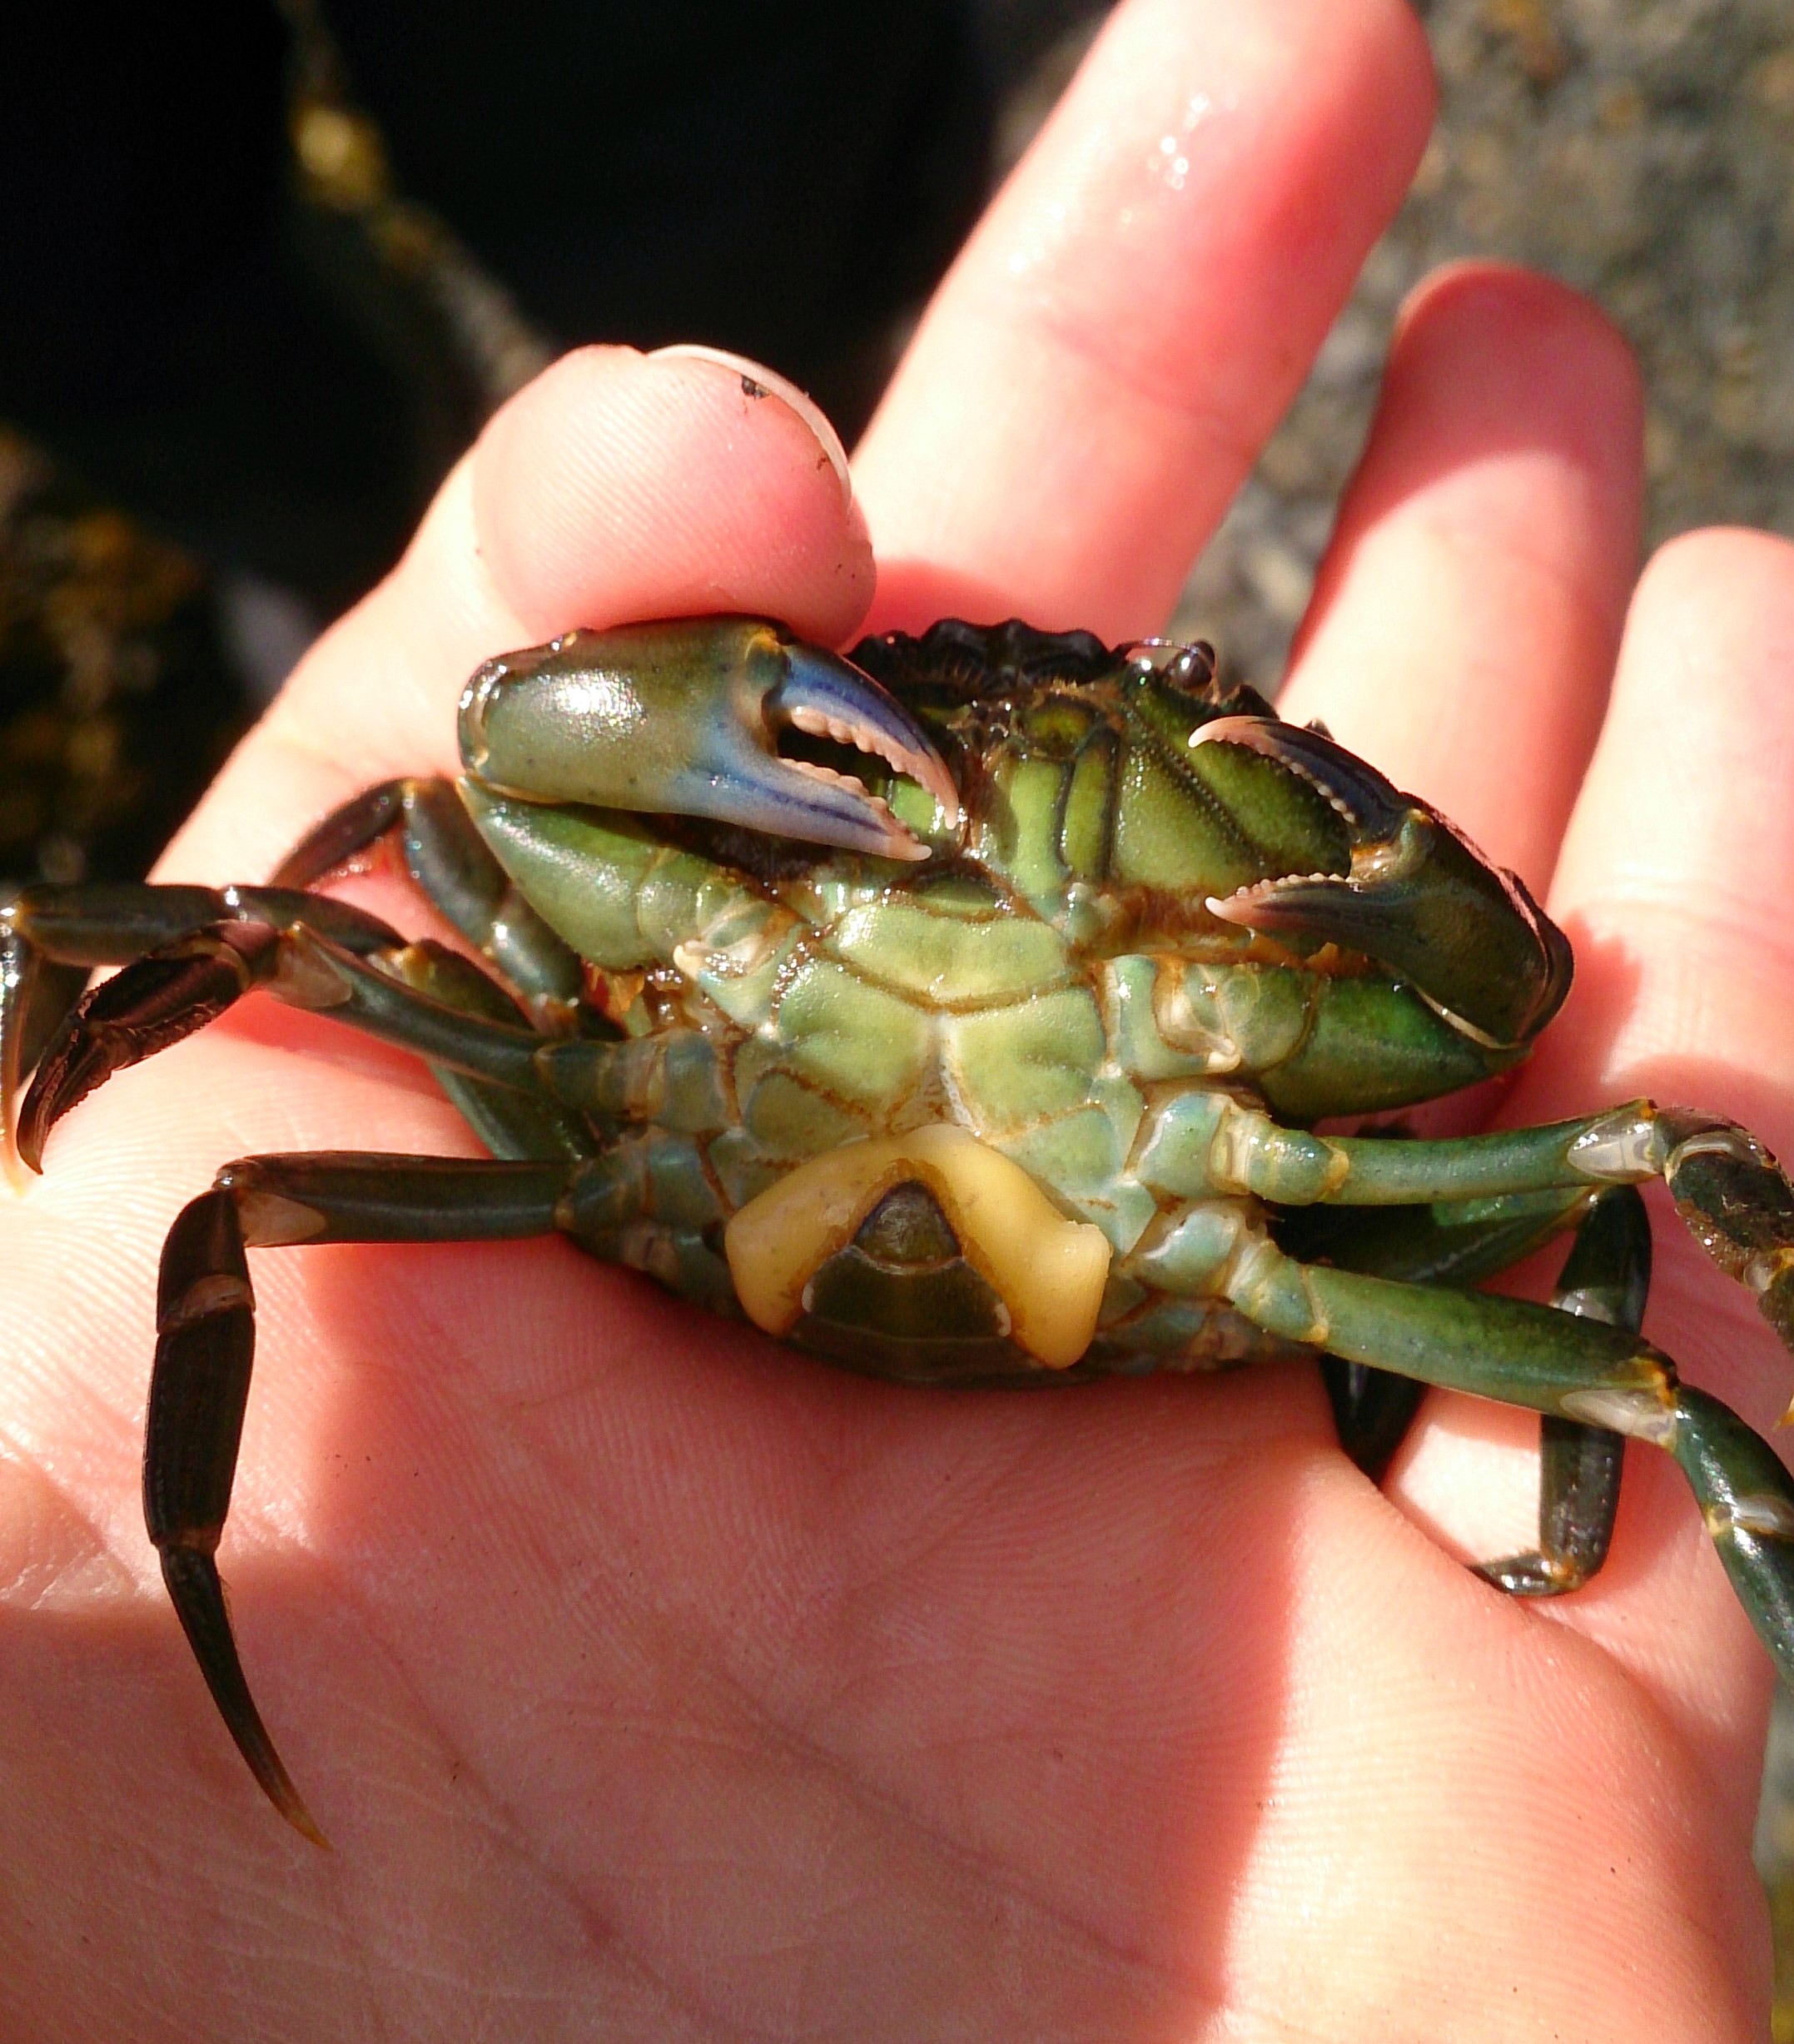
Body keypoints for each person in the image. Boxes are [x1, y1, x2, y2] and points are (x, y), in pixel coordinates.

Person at [3, 0, 1787, 2032]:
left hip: (1154, 1232)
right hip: (763, 1154)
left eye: (1132, 733)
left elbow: (1517, 1025)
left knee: (1652, 1226)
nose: (987, 788)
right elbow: (472, 787)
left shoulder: (1241, 954)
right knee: (242, 1075)